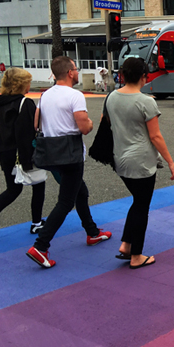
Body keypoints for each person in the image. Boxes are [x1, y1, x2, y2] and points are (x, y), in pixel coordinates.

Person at [26, 56, 111, 268]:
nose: (78, 71)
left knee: (80, 192)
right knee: (65, 202)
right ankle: (41, 246)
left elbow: (37, 123)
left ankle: (92, 232)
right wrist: (91, 121)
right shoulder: (75, 95)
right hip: (70, 155)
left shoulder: (45, 96)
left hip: (52, 154)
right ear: (70, 72)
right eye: (76, 68)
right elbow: (84, 128)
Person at [106, 57, 174, 269]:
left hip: (120, 158)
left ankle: (127, 244)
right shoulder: (146, 101)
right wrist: (171, 163)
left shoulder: (111, 97)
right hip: (142, 161)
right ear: (143, 76)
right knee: (142, 206)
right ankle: (136, 255)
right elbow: (156, 136)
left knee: (137, 201)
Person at [0, 68, 46, 241]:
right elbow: (30, 130)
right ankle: (36, 223)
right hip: (22, 152)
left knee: (13, 189)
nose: (30, 84)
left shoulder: (1, 103)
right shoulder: (25, 103)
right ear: (21, 84)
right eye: (28, 81)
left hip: (5, 152)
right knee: (39, 183)